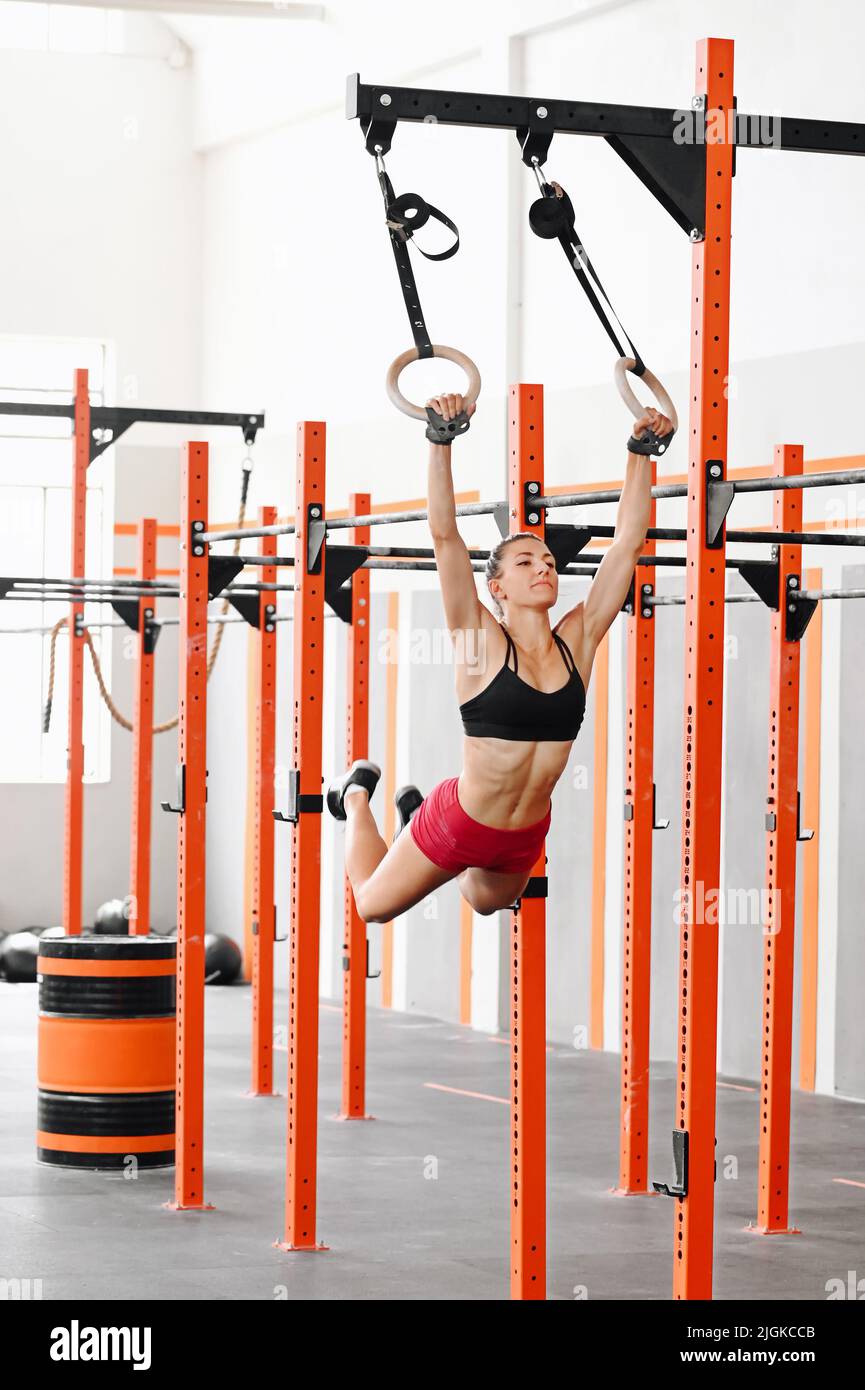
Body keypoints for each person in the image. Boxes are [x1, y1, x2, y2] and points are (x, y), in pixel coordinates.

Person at [327, 391, 672, 922]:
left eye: (548, 561)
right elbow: (445, 535)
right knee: (372, 906)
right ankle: (355, 794)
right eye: (525, 562)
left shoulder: (578, 641)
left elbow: (627, 542)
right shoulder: (477, 640)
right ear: (497, 587)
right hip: (461, 820)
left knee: (486, 903)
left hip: (524, 833)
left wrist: (640, 452)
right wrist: (440, 441)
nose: (544, 568)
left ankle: (411, 820)